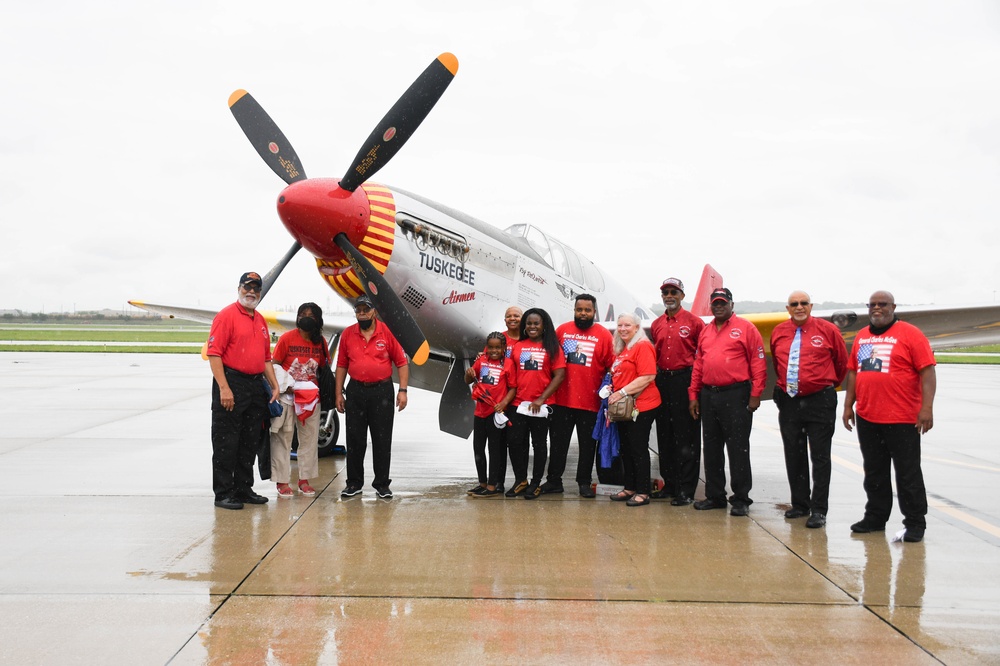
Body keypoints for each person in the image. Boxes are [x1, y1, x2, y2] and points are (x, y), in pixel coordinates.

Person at [842, 291, 936, 543]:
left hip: (903, 418)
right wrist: (848, 405)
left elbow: (927, 372)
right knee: (874, 472)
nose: (877, 308)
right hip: (868, 418)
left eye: (882, 304)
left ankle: (915, 522)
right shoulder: (862, 337)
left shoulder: (911, 334)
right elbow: (853, 372)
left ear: (893, 307)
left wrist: (926, 408)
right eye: (872, 305)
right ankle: (875, 517)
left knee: (907, 473)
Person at [770, 291, 848, 529]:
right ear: (788, 308)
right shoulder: (779, 332)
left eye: (804, 303)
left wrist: (821, 385)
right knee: (794, 454)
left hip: (819, 400)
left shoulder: (828, 330)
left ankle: (819, 509)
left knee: (820, 456)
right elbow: (778, 364)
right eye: (794, 304)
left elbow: (842, 363)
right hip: (790, 400)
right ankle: (800, 504)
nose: (799, 307)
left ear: (811, 306)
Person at [688, 287, 766, 517]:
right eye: (715, 303)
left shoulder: (746, 328)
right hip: (709, 395)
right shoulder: (706, 331)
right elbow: (699, 365)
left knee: (738, 449)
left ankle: (741, 498)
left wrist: (756, 394)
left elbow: (758, 363)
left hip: (736, 394)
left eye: (723, 302)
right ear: (711, 306)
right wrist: (694, 395)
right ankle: (715, 496)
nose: (719, 306)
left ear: (732, 304)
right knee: (711, 449)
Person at [207, 271, 280, 510]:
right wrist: (224, 388)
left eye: (256, 288)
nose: (251, 292)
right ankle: (224, 493)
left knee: (249, 440)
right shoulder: (226, 316)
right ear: (239, 288)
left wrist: (275, 385)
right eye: (247, 287)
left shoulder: (259, 320)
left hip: (254, 385)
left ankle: (243, 488)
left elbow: (266, 358)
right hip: (231, 382)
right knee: (227, 441)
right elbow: (214, 354)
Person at [335, 295, 410, 499]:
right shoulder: (348, 334)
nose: (362, 314)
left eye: (365, 310)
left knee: (382, 439)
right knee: (354, 439)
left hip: (382, 391)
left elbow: (402, 363)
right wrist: (338, 392)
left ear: (373, 311)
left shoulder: (387, 333)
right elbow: (341, 364)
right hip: (356, 390)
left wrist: (403, 390)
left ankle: (382, 484)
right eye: (358, 310)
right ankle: (354, 483)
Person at [548, 294, 616, 498]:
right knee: (558, 444)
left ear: (594, 312)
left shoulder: (604, 335)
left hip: (591, 403)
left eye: (587, 310)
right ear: (574, 310)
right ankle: (553, 481)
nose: (583, 314)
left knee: (587, 447)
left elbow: (612, 367)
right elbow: (549, 359)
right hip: (562, 401)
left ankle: (584, 483)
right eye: (580, 310)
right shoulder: (562, 331)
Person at [649, 277, 705, 506]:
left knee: (687, 436)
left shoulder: (695, 323)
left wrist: (695, 391)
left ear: (682, 295)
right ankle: (670, 484)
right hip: (663, 380)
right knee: (665, 434)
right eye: (665, 292)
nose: (669, 296)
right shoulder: (657, 324)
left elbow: (702, 356)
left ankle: (686, 489)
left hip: (685, 380)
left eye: (674, 292)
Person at [269, 302, 330, 499]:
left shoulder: (321, 343)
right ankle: (282, 481)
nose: (306, 317)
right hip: (288, 397)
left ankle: (305, 480)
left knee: (309, 440)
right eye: (302, 314)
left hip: (311, 399)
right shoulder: (287, 338)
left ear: (318, 320)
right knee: (283, 438)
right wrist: (281, 385)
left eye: (311, 315)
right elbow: (274, 364)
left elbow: (323, 367)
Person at [506, 308, 566, 499]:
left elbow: (560, 375)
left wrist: (541, 399)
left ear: (544, 326)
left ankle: (536, 482)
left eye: (536, 323)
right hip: (519, 404)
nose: (532, 327)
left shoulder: (553, 348)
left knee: (539, 444)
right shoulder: (518, 346)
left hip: (542, 406)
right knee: (515, 442)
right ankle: (521, 480)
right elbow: (510, 373)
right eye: (529, 323)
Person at [607, 312, 661, 507]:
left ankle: (643, 491)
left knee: (638, 449)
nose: (622, 329)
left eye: (627, 325)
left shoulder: (643, 346)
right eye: (620, 325)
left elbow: (647, 376)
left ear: (637, 328)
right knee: (626, 449)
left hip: (642, 405)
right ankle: (629, 487)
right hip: (624, 408)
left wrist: (621, 393)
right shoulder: (623, 350)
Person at [464, 332, 516, 498]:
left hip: (495, 413)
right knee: (478, 448)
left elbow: (513, 388)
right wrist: (469, 373)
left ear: (503, 348)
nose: (494, 351)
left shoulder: (508, 364)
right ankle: (482, 483)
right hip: (480, 412)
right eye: (491, 347)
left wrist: (504, 404)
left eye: (497, 347)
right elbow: (468, 380)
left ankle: (493, 486)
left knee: (494, 450)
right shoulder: (481, 361)